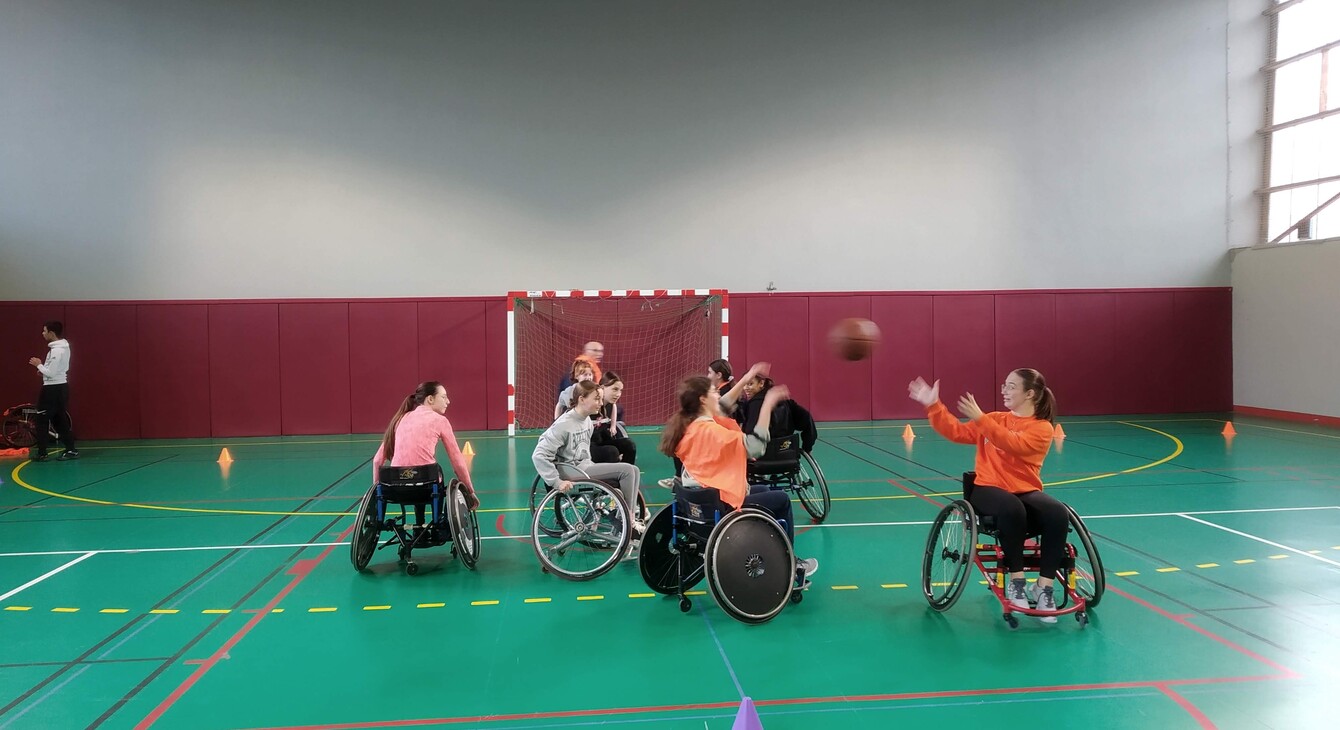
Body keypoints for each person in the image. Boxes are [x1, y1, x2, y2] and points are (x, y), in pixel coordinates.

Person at [908, 368, 1062, 623]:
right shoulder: (993, 419)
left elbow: (1013, 443)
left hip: (1025, 489)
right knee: (1012, 509)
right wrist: (933, 405)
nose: (1004, 390)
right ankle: (1017, 582)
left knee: (1057, 512)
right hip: (987, 489)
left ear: (1030, 394)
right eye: (1004, 385)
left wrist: (981, 419)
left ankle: (1044, 588)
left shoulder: (1042, 429)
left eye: (1011, 386)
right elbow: (956, 431)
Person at [658, 364, 819, 585]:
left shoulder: (689, 427)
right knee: (780, 499)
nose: (719, 393)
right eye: (714, 391)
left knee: (762, 490)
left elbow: (722, 406)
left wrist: (746, 378)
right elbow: (756, 447)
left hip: (697, 503)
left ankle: (772, 549)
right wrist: (767, 406)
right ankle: (789, 565)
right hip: (720, 506)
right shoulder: (713, 432)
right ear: (703, 400)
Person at [532, 380, 645, 557]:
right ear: (582, 399)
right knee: (628, 470)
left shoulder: (585, 421)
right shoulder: (564, 424)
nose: (601, 403)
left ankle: (625, 518)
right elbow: (538, 455)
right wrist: (556, 481)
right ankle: (627, 521)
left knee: (633, 470)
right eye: (597, 399)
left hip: (584, 467)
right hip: (570, 472)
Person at [372, 382, 479, 530]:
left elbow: (378, 460)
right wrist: (470, 491)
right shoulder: (440, 421)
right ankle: (437, 522)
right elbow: (457, 461)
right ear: (430, 399)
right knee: (434, 473)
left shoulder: (399, 419)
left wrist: (379, 489)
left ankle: (418, 522)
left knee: (418, 475)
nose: (448, 401)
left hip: (395, 488)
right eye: (444, 397)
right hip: (427, 489)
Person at [27, 321, 78, 461]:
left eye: (44, 331)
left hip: (52, 389)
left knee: (41, 420)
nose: (43, 334)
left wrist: (39, 365)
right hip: (60, 388)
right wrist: (42, 370)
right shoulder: (62, 348)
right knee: (59, 420)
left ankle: (42, 453)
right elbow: (52, 370)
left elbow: (51, 372)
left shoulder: (57, 350)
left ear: (51, 333)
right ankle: (71, 450)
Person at [738, 375, 818, 454]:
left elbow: (751, 437)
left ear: (761, 383)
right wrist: (807, 448)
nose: (745, 388)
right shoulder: (786, 402)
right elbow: (807, 420)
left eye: (750, 384)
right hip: (788, 455)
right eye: (744, 384)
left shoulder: (753, 405)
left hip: (760, 459)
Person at [590, 371, 636, 465]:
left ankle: (626, 474)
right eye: (615, 389)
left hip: (600, 441)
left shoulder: (610, 405)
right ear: (602, 387)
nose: (618, 394)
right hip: (586, 446)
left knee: (629, 445)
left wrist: (613, 426)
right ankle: (610, 478)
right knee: (612, 451)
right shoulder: (590, 404)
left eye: (620, 390)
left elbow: (613, 408)